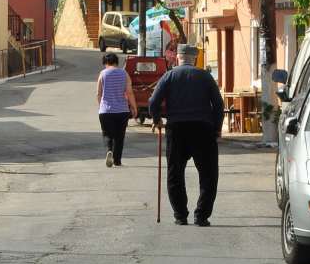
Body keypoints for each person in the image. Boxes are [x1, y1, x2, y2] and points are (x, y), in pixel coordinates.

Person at [148, 44, 224, 226]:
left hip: (176, 130)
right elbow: (218, 105)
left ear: (178, 58)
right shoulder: (205, 76)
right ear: (195, 58)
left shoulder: (169, 76)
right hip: (203, 130)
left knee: (175, 173)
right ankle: (202, 215)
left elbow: (153, 102)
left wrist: (157, 119)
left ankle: (180, 215)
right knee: (208, 174)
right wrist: (217, 129)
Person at [96, 52, 136, 167]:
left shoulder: (102, 74)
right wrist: (134, 107)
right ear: (116, 62)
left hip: (106, 112)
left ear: (105, 63)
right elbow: (129, 92)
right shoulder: (124, 73)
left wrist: (101, 107)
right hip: (122, 111)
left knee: (107, 134)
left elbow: (98, 93)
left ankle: (109, 150)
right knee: (119, 136)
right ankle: (117, 160)